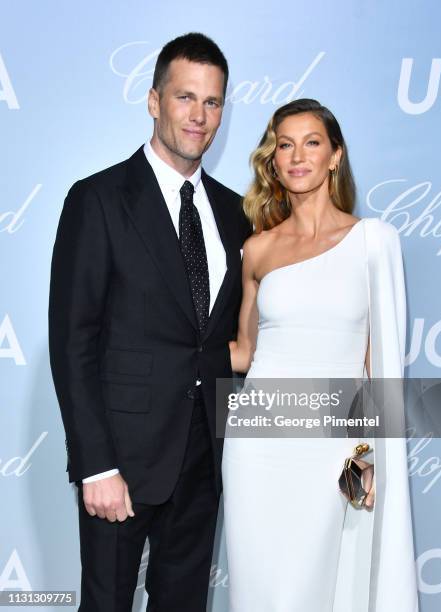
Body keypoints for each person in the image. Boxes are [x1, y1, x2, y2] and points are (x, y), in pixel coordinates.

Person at [48, 32, 250, 612]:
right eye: (185, 97)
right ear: (154, 100)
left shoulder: (237, 214)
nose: (198, 116)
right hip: (123, 463)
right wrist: (96, 466)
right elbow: (74, 342)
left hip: (203, 463)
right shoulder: (99, 199)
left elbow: (228, 341)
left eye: (212, 102)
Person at [223, 99, 419, 611]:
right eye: (284, 145)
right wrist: (158, 341)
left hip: (330, 448)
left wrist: (366, 454)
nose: (297, 156)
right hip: (257, 445)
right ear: (273, 159)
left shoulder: (374, 241)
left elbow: (380, 366)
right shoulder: (258, 249)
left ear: (335, 155)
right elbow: (245, 353)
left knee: (321, 588)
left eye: (312, 142)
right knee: (259, 589)